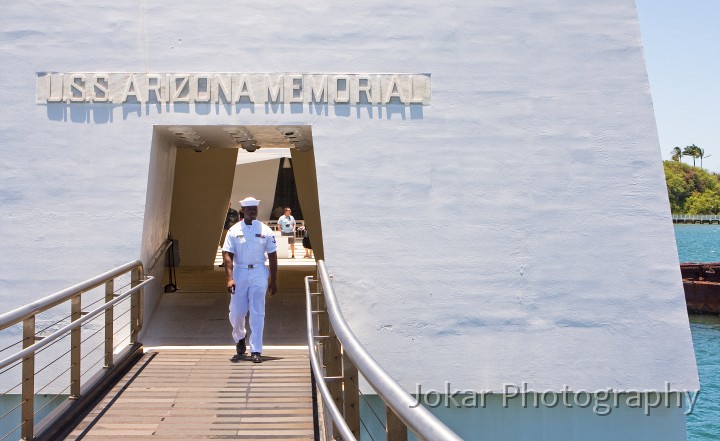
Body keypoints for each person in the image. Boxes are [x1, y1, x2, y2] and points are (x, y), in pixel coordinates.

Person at [222, 196, 278, 363]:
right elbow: (228, 256)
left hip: (259, 272)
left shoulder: (266, 230)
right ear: (243, 211)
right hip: (240, 272)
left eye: (255, 208)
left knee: (257, 312)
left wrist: (273, 281)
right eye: (249, 209)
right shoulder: (234, 231)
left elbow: (273, 256)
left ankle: (256, 349)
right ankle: (240, 337)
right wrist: (229, 279)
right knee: (237, 313)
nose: (253, 211)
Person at [218, 202, 240, 267]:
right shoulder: (221, 211)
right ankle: (224, 262)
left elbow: (237, 222)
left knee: (233, 247)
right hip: (223, 231)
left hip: (232, 231)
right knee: (224, 247)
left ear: (230, 205)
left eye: (228, 204)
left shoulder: (234, 212)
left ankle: (233, 262)